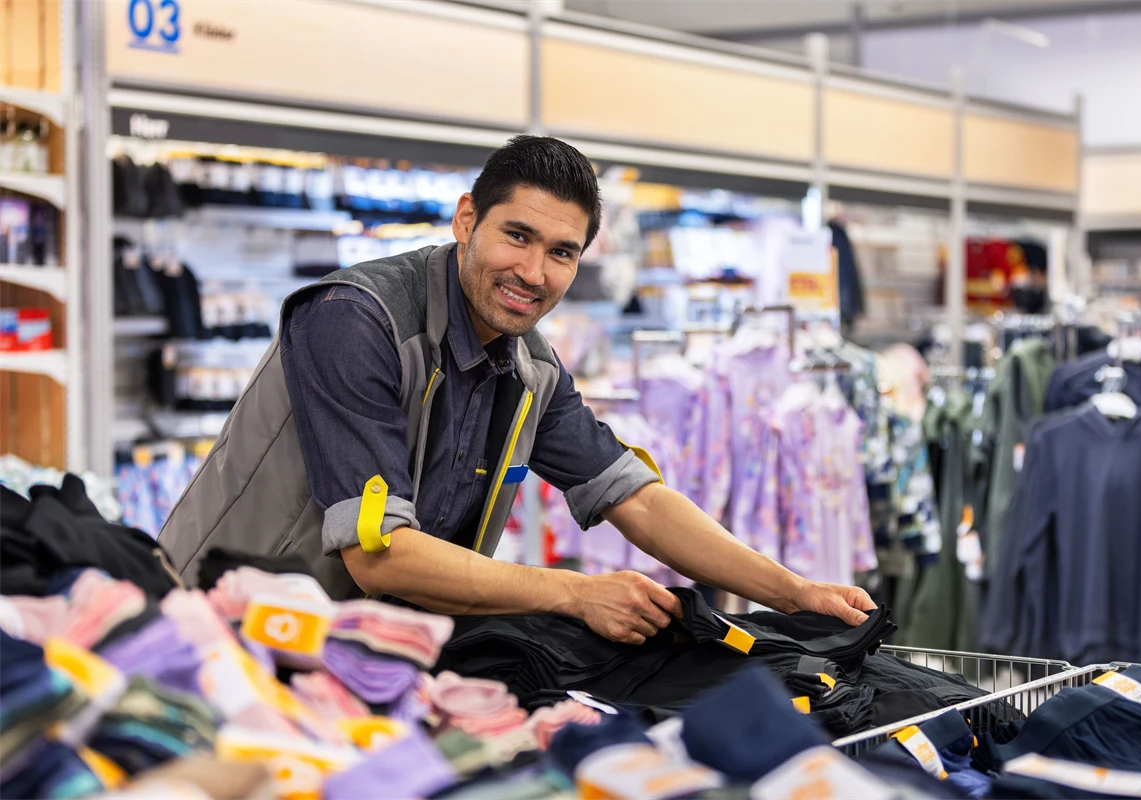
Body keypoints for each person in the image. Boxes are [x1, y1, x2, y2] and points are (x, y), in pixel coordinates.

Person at [158, 136, 876, 644]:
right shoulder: (354, 320)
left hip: (364, 651)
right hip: (221, 631)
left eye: (561, 252)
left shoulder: (530, 365)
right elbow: (379, 555)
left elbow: (637, 498)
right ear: (466, 219)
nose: (534, 272)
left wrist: (794, 593)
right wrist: (576, 591)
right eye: (518, 236)